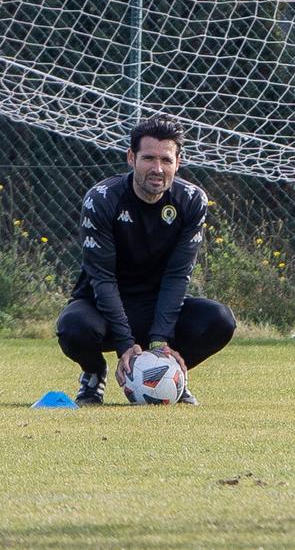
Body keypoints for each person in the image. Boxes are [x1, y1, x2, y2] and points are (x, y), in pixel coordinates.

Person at [56, 115, 236, 405]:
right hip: (102, 307)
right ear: (131, 157)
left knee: (219, 320)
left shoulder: (192, 201)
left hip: (156, 307)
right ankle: (93, 373)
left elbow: (178, 276)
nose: (157, 169)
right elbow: (102, 277)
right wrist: (126, 343)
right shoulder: (101, 199)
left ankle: (170, 374)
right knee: (73, 327)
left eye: (166, 160)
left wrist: (159, 340)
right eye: (148, 158)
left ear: (178, 162)